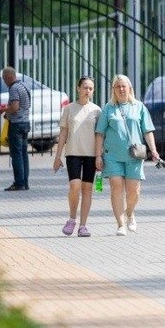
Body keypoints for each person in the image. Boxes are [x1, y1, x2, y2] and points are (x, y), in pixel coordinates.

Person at [94, 74, 162, 237]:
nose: (121, 89)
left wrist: (153, 150)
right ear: (114, 90)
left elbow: (147, 131)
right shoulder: (108, 108)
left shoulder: (139, 107)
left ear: (129, 88)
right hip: (112, 156)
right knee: (116, 187)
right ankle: (120, 224)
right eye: (117, 87)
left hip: (134, 155)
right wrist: (98, 156)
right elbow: (99, 134)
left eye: (124, 86)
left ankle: (130, 213)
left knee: (134, 191)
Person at [52, 76, 101, 237]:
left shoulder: (97, 110)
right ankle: (72, 219)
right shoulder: (69, 109)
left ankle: (83, 225)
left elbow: (100, 136)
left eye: (91, 88)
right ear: (78, 88)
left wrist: (100, 156)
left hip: (91, 154)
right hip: (72, 152)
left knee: (87, 189)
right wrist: (57, 156)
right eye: (85, 87)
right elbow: (63, 133)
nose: (88, 91)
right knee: (75, 186)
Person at [0, 66, 31, 191]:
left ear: (9, 77)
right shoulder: (24, 86)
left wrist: (2, 110)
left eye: (4, 79)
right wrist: (8, 112)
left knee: (16, 154)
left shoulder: (14, 88)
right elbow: (23, 106)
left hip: (16, 124)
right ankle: (25, 182)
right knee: (23, 153)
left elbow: (15, 107)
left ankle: (19, 183)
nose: (5, 82)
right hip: (25, 122)